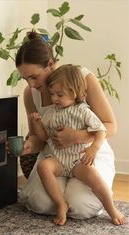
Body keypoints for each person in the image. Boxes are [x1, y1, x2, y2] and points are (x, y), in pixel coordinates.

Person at [15, 32, 118, 221]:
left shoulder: (83, 79)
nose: (31, 84)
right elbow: (40, 139)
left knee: (80, 207)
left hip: (86, 155)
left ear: (51, 64)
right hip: (55, 155)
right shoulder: (30, 94)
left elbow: (110, 126)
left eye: (34, 77)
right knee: (41, 203)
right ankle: (62, 199)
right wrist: (28, 146)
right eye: (25, 79)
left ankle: (99, 194)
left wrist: (77, 137)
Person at [29, 64, 125, 225]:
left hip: (77, 160)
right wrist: (38, 124)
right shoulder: (52, 113)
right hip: (58, 159)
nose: (54, 99)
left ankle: (111, 208)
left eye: (59, 95)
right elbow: (44, 137)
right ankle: (61, 203)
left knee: (95, 179)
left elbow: (100, 130)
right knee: (43, 167)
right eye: (52, 94)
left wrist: (93, 149)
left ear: (73, 93)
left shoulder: (83, 111)